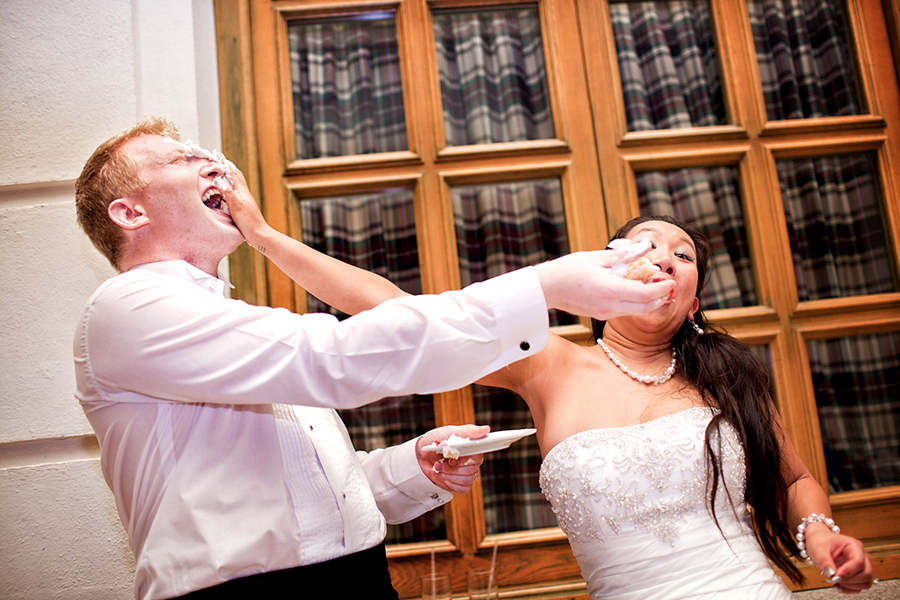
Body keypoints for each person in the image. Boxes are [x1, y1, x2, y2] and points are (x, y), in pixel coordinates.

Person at [73, 117, 675, 600]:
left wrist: (412, 469)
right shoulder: (131, 309)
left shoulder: (231, 320)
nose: (214, 163)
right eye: (179, 159)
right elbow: (337, 356)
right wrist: (542, 287)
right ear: (130, 212)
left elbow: (306, 498)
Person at [476, 215, 876, 598]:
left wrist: (820, 533)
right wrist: (546, 282)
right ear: (605, 276)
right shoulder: (546, 364)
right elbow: (425, 323)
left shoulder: (726, 375)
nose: (664, 259)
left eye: (683, 256)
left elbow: (793, 481)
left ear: (692, 305)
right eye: (645, 245)